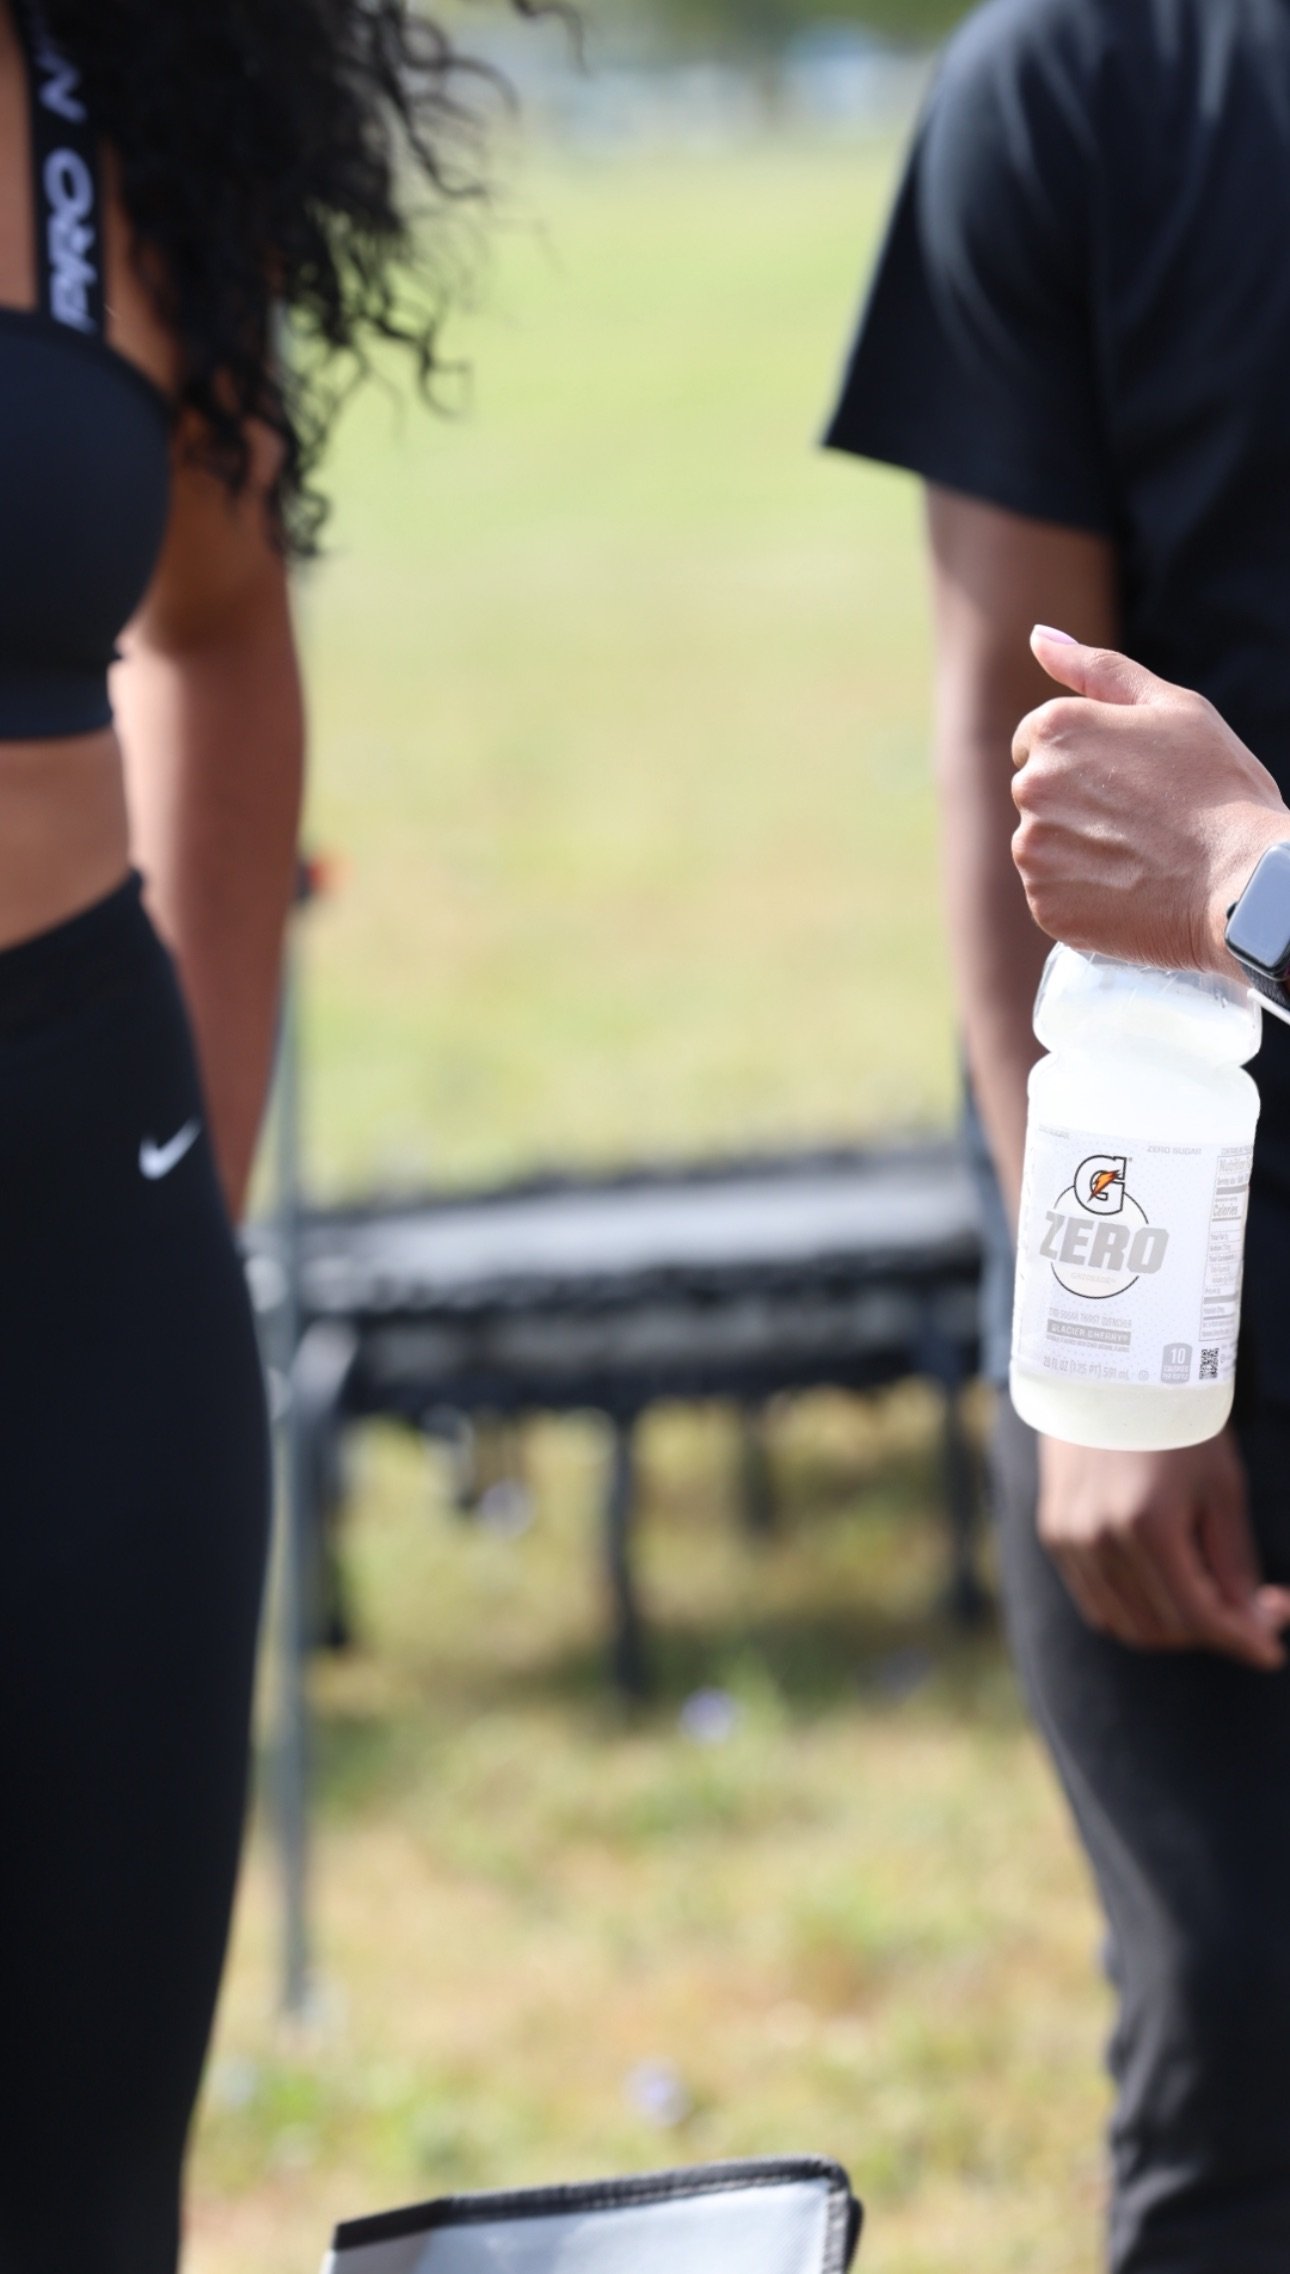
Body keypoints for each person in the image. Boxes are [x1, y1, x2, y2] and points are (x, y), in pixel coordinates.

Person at [0, 2, 531, 2266]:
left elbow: (216, 622)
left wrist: (171, 1200)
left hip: (83, 1241)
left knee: (80, 2185)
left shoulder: (84, 110)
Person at [824, 1, 1290, 2266]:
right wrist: (1105, 1322)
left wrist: (1258, 882)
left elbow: (1200, 856)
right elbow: (1029, 760)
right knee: (1241, 2042)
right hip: (1201, 1195)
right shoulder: (1076, 83)